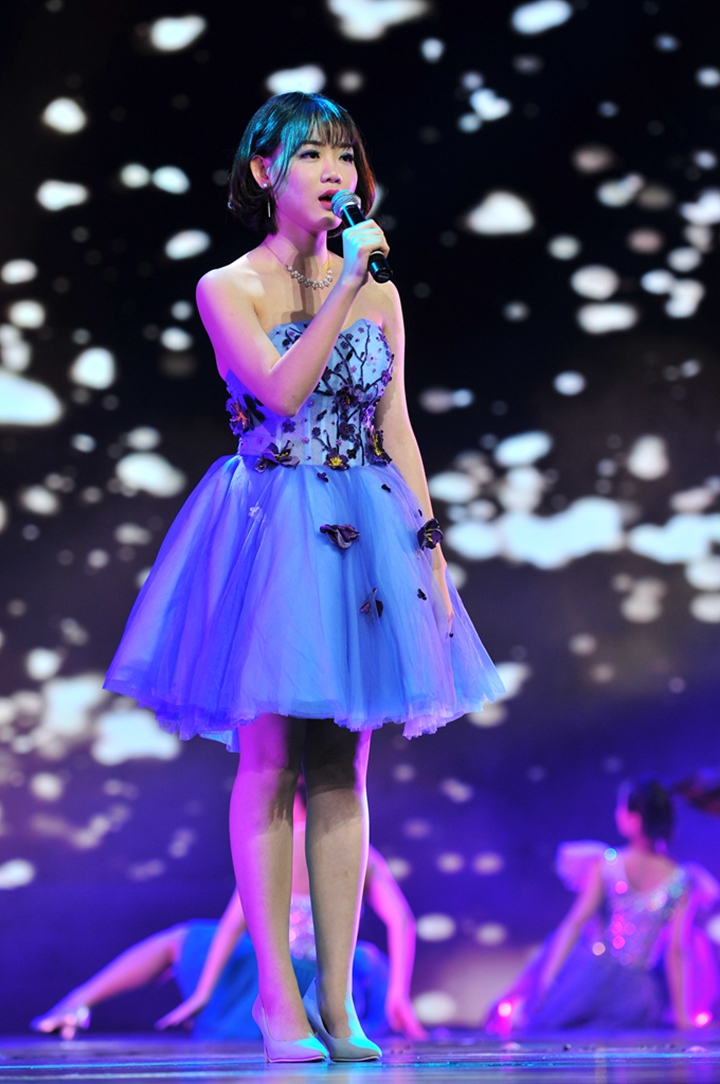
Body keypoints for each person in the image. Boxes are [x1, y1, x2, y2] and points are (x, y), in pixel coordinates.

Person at [103, 91, 503, 1062]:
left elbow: (395, 425)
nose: (335, 171)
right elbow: (281, 395)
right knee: (272, 758)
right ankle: (276, 1004)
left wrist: (431, 550)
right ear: (264, 173)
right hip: (271, 526)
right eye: (313, 154)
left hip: (364, 529)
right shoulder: (227, 287)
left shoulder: (381, 293)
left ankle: (338, 998)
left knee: (344, 764)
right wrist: (344, 283)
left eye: (345, 155)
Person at [31, 787, 426, 1043]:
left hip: (269, 975)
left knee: (182, 940)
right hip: (325, 980)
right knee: (366, 959)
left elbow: (231, 926)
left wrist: (203, 993)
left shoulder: (278, 846)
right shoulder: (360, 852)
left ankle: (76, 1002)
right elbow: (402, 921)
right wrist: (397, 993)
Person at [485, 778, 720, 1034]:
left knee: (562, 1034)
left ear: (635, 818)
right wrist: (683, 1017)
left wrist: (546, 982)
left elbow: (574, 925)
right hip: (639, 992)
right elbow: (677, 951)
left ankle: (514, 1005)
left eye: (621, 808)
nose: (617, 814)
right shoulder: (682, 879)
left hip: (587, 980)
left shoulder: (608, 863)